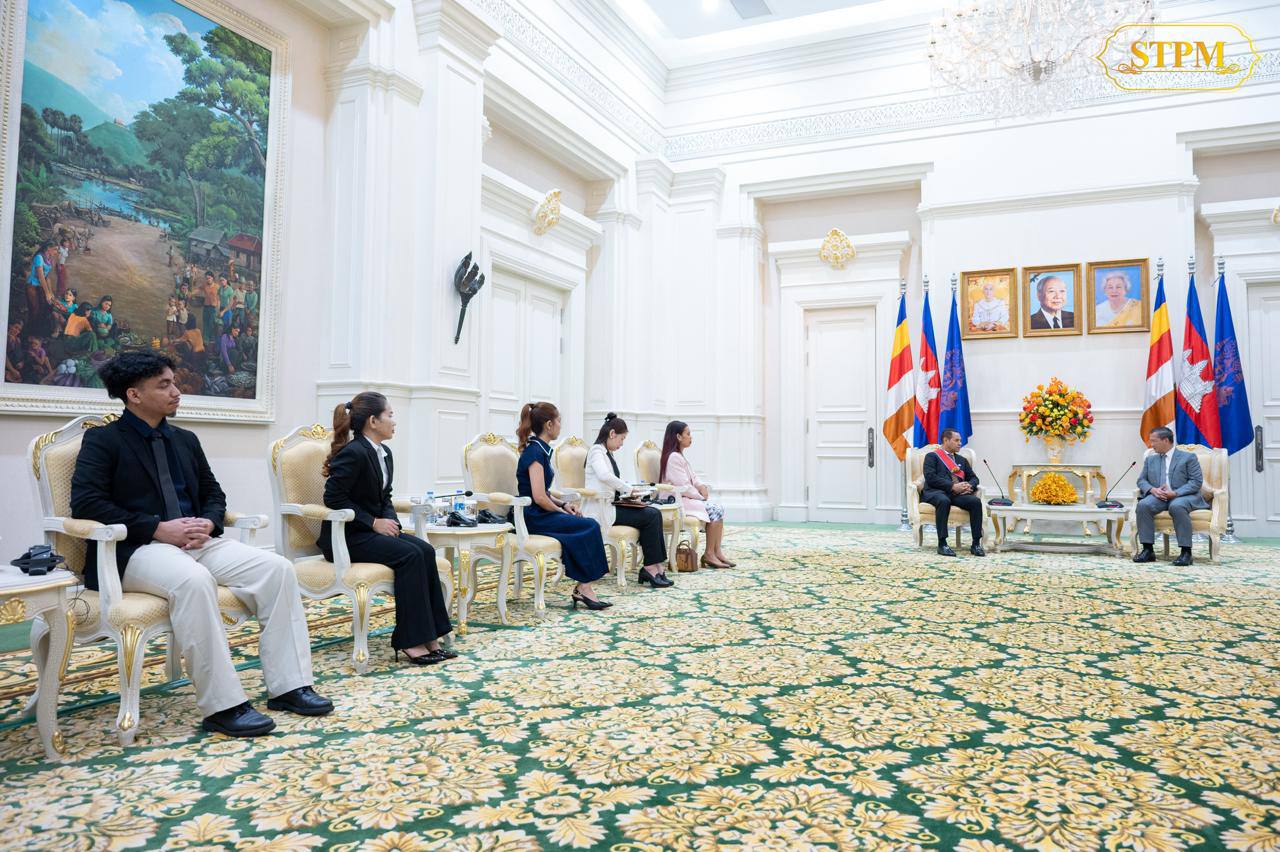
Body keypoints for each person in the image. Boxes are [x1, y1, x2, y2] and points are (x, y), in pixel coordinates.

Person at [70, 351, 332, 737]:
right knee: (193, 580)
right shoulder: (103, 441)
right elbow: (87, 504)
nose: (176, 391)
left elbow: (213, 493)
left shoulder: (185, 440)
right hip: (135, 550)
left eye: (174, 382)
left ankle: (290, 687)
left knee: (277, 569)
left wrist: (208, 521)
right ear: (134, 395)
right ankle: (223, 706)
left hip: (197, 542)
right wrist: (158, 528)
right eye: (164, 385)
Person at [320, 392, 456, 665]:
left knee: (425, 550)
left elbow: (385, 497)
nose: (394, 421)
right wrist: (373, 522)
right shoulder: (354, 452)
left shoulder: (385, 453)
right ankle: (411, 641)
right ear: (373, 421)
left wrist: (389, 522)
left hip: (370, 533)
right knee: (410, 555)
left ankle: (431, 637)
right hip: (346, 537)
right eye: (390, 415)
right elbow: (333, 498)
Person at [516, 402, 612, 610]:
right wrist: (561, 511)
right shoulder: (535, 453)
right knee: (589, 525)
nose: (561, 425)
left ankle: (584, 586)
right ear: (549, 425)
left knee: (585, 524)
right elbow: (539, 497)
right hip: (532, 515)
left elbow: (545, 493)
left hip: (539, 511)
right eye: (559, 421)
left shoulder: (540, 450)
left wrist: (565, 504)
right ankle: (584, 587)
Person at [584, 413, 672, 588]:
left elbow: (611, 482)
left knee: (654, 513)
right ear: (612, 434)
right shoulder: (596, 451)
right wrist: (628, 489)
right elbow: (604, 475)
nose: (622, 443)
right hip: (601, 509)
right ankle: (650, 568)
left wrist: (629, 493)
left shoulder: (606, 453)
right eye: (622, 439)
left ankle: (657, 565)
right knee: (650, 516)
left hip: (610, 504)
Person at [660, 421, 734, 568]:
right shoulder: (673, 457)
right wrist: (701, 497)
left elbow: (693, 477)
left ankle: (717, 552)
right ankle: (709, 554)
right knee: (715, 509)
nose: (690, 437)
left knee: (718, 508)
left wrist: (701, 486)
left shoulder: (679, 456)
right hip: (676, 500)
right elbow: (683, 486)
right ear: (678, 437)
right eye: (688, 434)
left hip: (685, 498)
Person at [1133, 426, 1208, 567]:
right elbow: (1141, 481)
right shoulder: (1150, 459)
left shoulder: (1188, 457)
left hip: (1184, 496)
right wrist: (1152, 490)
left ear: (1166, 440)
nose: (1151, 444)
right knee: (1143, 505)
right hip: (1159, 497)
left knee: (1177, 505)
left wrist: (1175, 493)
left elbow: (1196, 482)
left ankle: (1186, 553)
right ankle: (1148, 550)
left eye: (1154, 441)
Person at [921, 428, 985, 557]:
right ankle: (942, 544)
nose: (960, 443)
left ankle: (976, 544)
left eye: (960, 440)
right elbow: (931, 478)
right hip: (936, 492)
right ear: (946, 440)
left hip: (956, 494)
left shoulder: (962, 460)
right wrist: (952, 486)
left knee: (975, 502)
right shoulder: (932, 457)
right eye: (956, 440)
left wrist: (969, 485)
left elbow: (974, 478)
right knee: (944, 501)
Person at [26, 242, 55, 337]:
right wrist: (47, 293)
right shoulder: (39, 257)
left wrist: (51, 293)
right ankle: (30, 333)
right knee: (35, 310)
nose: (56, 251)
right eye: (55, 249)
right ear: (48, 248)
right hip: (32, 286)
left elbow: (47, 277)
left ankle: (39, 334)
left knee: (43, 308)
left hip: (40, 286)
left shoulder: (49, 258)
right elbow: (41, 277)